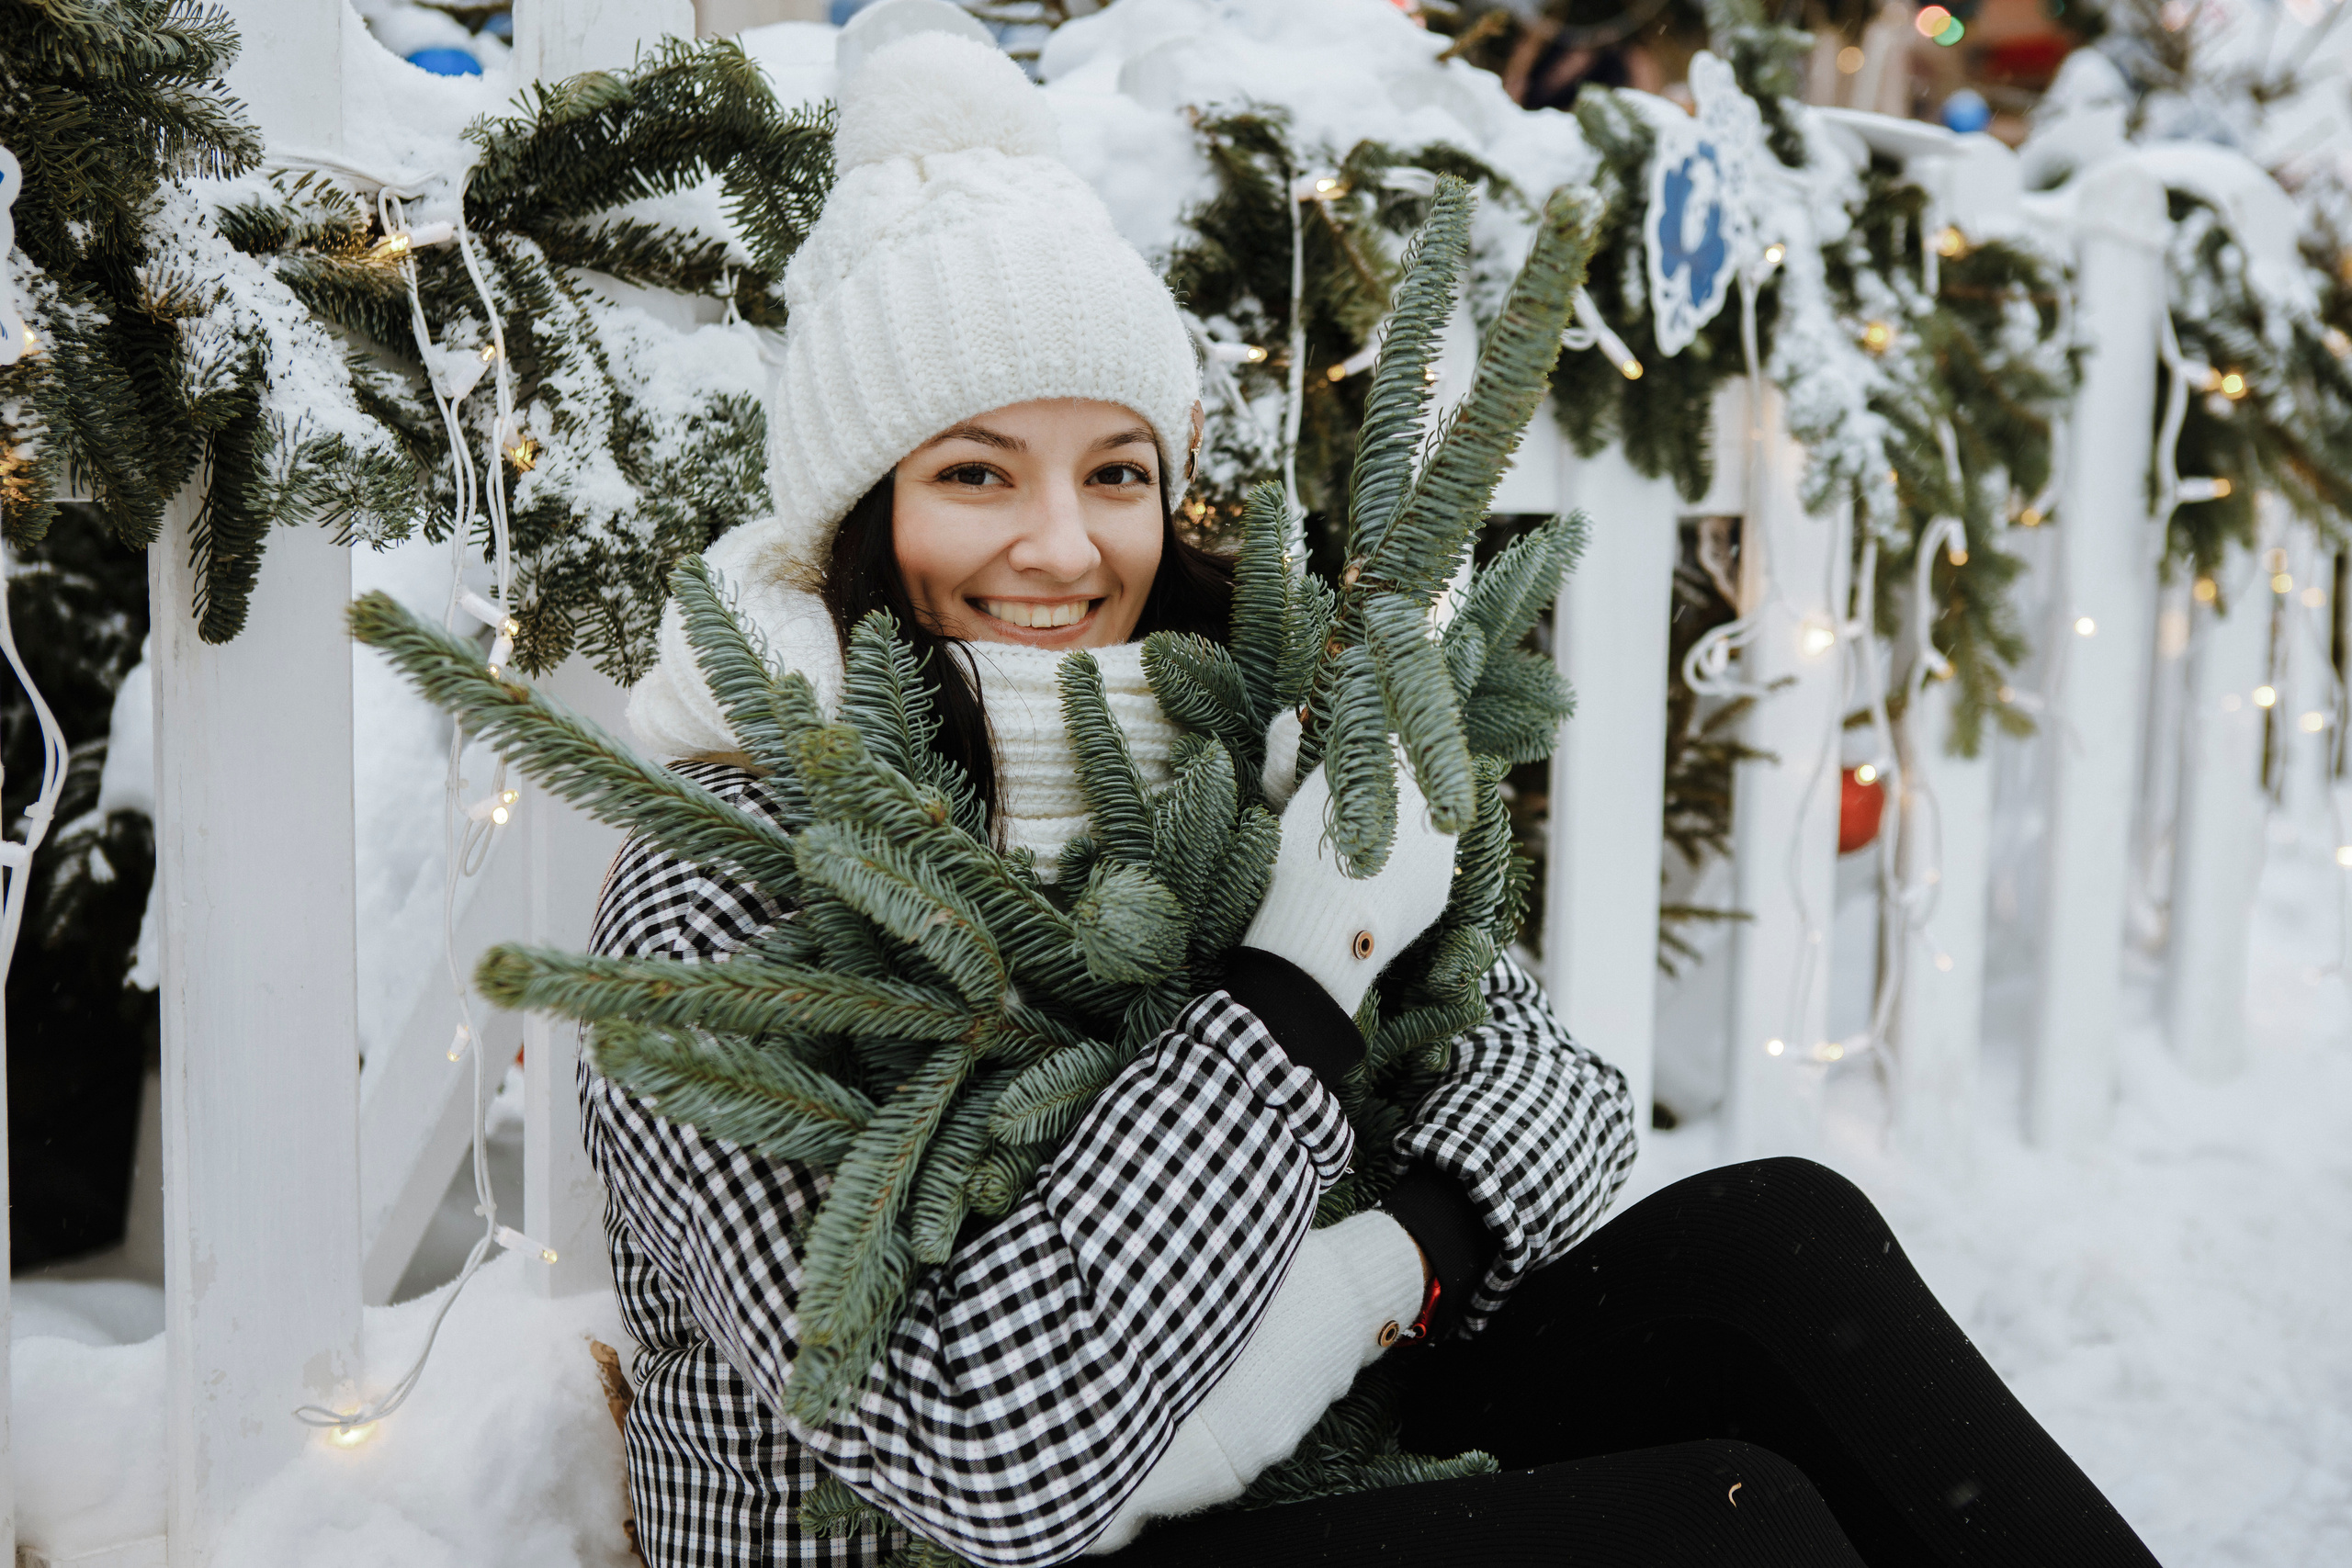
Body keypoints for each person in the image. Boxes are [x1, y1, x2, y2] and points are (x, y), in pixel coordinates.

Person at [584, 27, 2161, 1568]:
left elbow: (1560, 1101)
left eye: (1116, 472)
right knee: (1718, 1530)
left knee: (1775, 1247)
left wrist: (1374, 1277)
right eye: (978, 474)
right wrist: (1298, 978)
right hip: (940, 1554)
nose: (1063, 549)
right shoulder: (723, 888)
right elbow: (974, 1456)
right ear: (862, 509)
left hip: (1305, 1449)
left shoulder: (1221, 728)